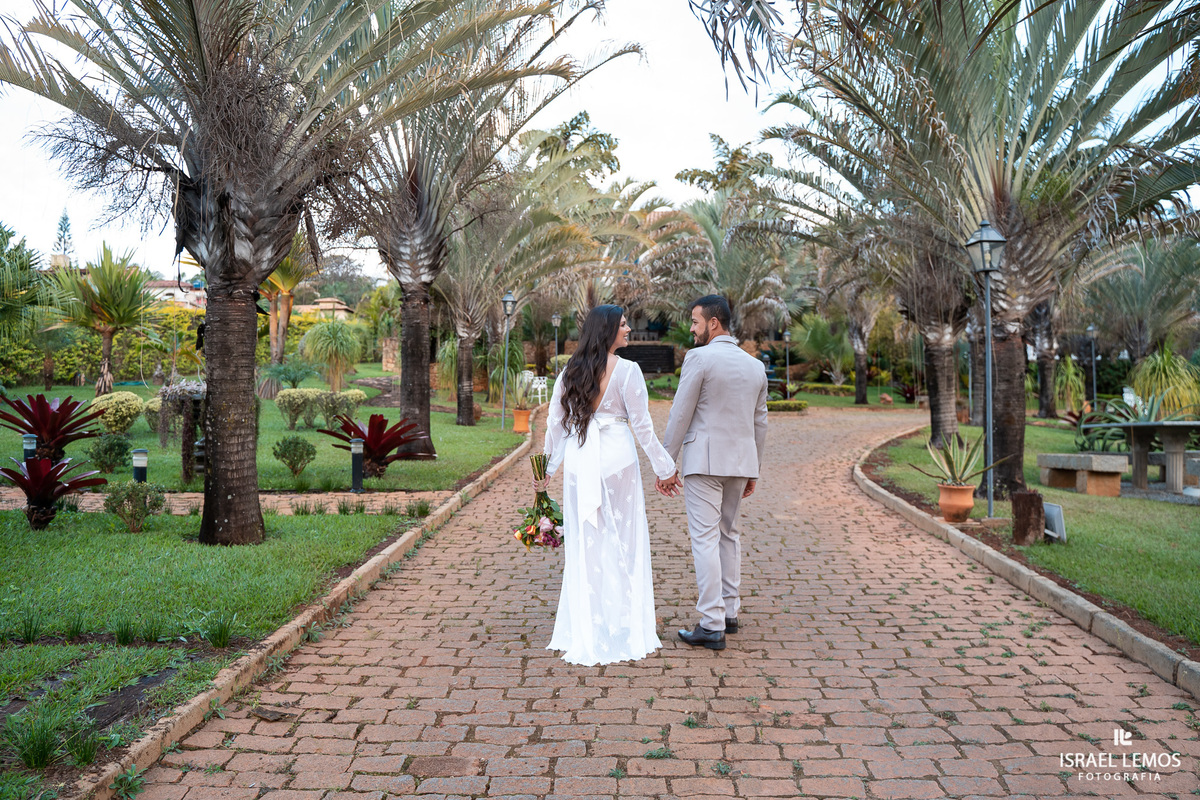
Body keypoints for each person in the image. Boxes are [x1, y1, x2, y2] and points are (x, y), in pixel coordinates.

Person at [541, 305, 678, 665]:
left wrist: (548, 468)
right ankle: (622, 621)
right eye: (623, 324)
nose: (629, 329)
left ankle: (590, 623)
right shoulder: (628, 371)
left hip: (580, 457)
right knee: (624, 541)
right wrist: (665, 468)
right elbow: (643, 426)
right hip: (618, 461)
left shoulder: (569, 372)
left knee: (586, 541)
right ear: (607, 330)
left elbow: (556, 424)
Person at [659, 295, 768, 651]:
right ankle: (730, 612)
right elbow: (760, 423)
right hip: (740, 463)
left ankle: (711, 623)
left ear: (713, 323)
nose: (692, 329)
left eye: (695, 322)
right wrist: (754, 470)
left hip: (704, 462)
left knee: (705, 539)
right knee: (728, 535)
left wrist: (666, 463)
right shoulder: (755, 366)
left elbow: (681, 412)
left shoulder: (699, 358)